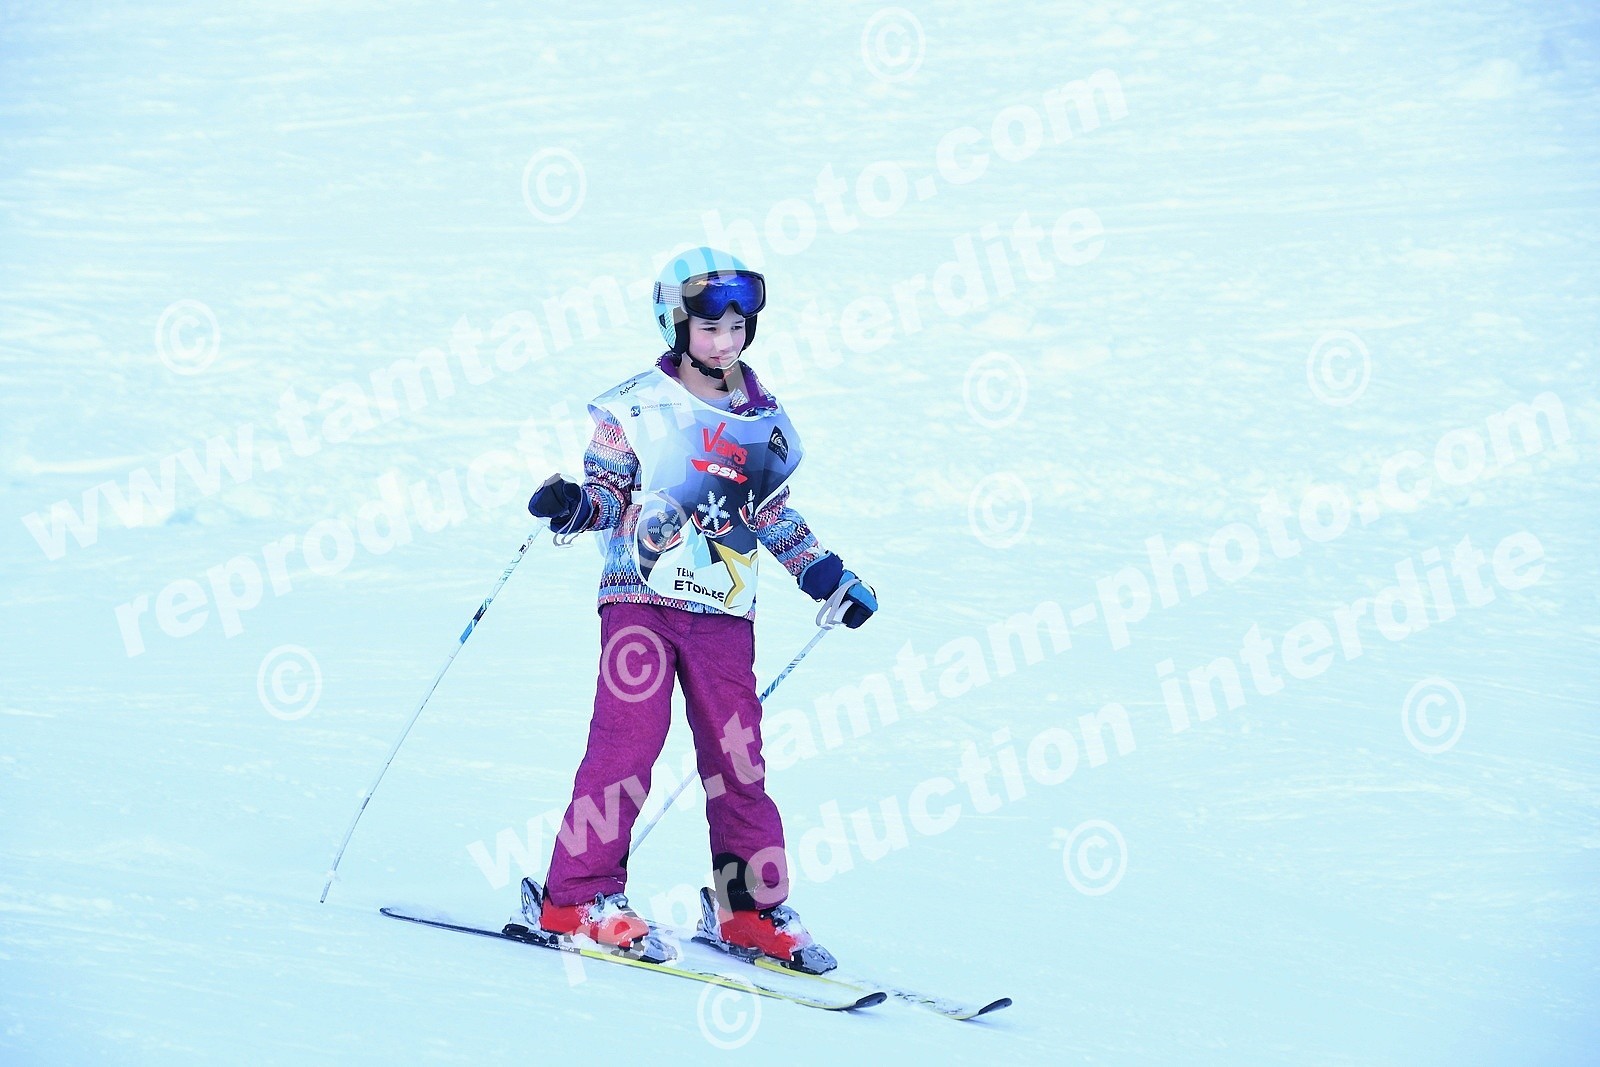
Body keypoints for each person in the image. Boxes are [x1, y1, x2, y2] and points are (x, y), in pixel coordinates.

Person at [522, 247, 877, 972]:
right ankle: (575, 897)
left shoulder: (761, 418)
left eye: (737, 327)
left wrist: (823, 573)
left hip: (724, 607)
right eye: (711, 327)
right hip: (641, 600)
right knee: (628, 743)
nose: (725, 342)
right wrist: (574, 506)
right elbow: (609, 496)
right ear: (676, 325)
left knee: (738, 758)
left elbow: (768, 511)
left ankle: (750, 909)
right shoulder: (634, 409)